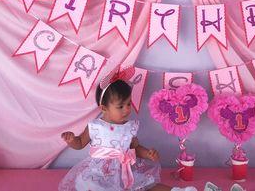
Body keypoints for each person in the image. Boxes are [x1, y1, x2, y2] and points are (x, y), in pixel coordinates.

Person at [58, 77, 197, 191]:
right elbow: (80, 143)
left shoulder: (129, 127)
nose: (126, 109)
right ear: (104, 108)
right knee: (92, 186)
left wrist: (147, 153)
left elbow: (135, 148)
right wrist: (72, 140)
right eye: (120, 106)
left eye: (128, 104)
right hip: (99, 174)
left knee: (146, 185)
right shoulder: (96, 126)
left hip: (125, 171)